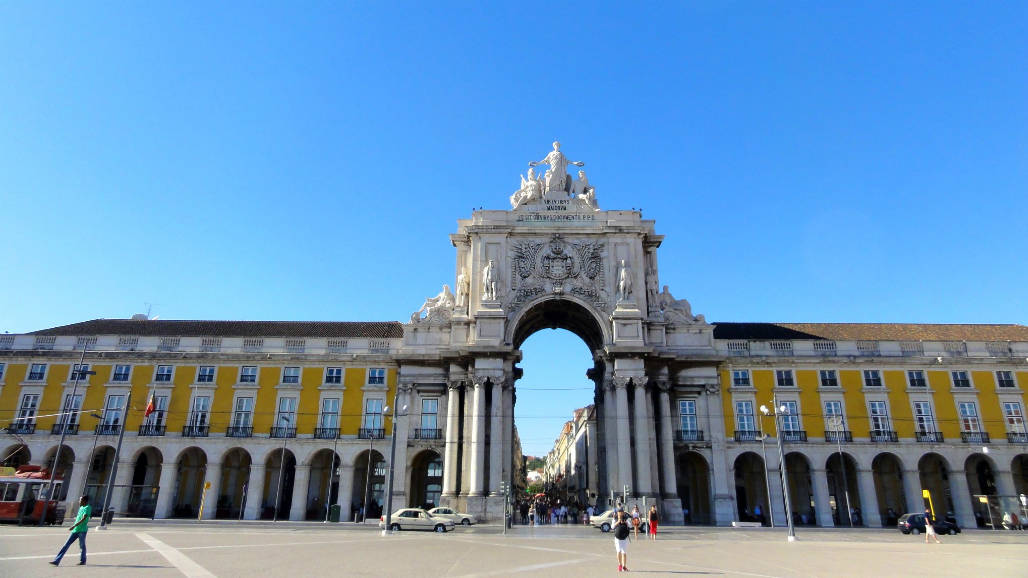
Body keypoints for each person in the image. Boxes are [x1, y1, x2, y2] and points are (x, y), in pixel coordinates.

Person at [51, 496, 91, 566]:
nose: (79, 501)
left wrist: (74, 526)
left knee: (82, 546)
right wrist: (75, 526)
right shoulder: (81, 507)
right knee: (66, 545)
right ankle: (57, 561)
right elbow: (79, 518)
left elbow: (83, 518)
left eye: (80, 500)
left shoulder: (87, 507)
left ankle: (83, 561)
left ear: (85, 501)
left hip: (82, 530)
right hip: (75, 530)